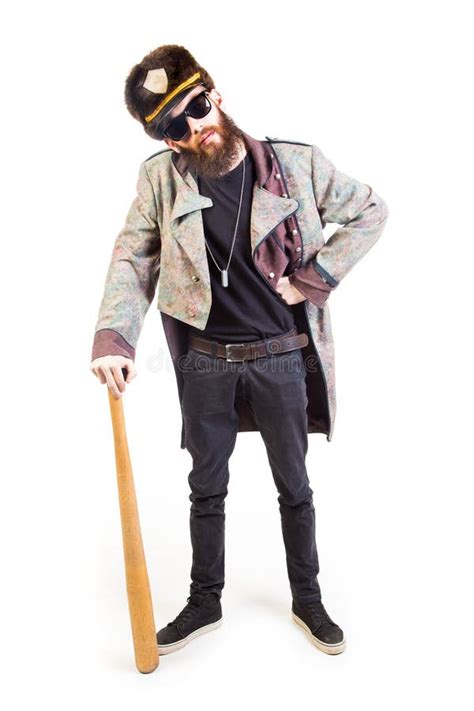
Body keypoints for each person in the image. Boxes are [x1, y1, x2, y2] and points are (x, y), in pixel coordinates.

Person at [90, 44, 389, 657]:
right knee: (206, 487)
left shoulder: (297, 165)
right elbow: (133, 257)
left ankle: (308, 599)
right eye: (174, 126)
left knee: (294, 485)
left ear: (215, 95)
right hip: (205, 363)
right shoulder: (160, 180)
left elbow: (369, 211)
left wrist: (314, 278)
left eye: (197, 107)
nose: (194, 128)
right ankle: (205, 600)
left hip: (281, 355)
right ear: (166, 139)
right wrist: (114, 340)